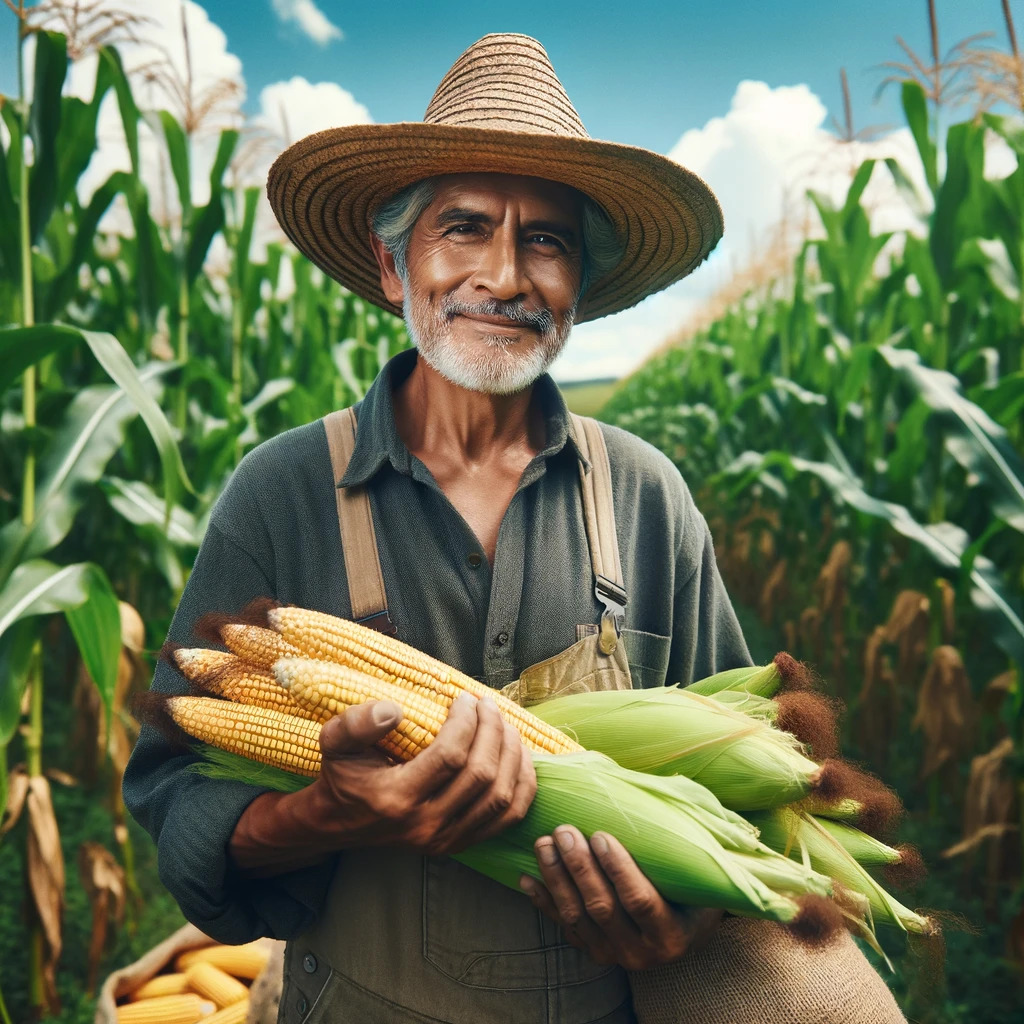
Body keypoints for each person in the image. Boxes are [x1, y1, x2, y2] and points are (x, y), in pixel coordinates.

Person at [123, 33, 752, 1024]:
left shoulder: (647, 496)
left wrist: (688, 922)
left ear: (575, 289)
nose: (504, 274)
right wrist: (316, 813)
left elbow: (735, 775)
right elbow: (177, 796)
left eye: (545, 240)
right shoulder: (279, 493)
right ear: (389, 264)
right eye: (462, 227)